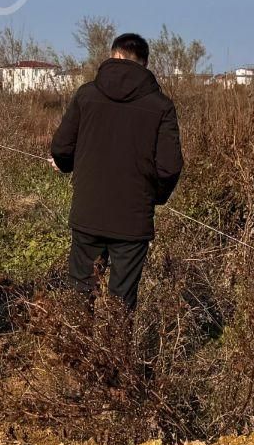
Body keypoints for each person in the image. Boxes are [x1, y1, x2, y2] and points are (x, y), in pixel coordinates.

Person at [48, 32, 184, 309]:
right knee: (122, 302)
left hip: (88, 213)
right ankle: (115, 352)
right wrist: (151, 196)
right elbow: (169, 168)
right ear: (144, 63)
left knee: (80, 294)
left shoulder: (86, 95)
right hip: (132, 220)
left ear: (115, 55)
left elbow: (61, 148)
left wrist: (64, 165)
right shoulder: (162, 106)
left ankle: (77, 352)